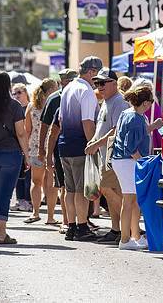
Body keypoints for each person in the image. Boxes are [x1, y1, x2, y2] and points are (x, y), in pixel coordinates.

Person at [111, 84, 163, 250]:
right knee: (130, 201)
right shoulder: (136, 118)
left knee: (133, 202)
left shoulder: (129, 114)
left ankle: (134, 237)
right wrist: (143, 163)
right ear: (146, 103)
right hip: (127, 161)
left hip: (122, 161)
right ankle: (125, 240)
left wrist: (152, 127)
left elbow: (135, 134)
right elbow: (131, 147)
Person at [0, 71, 30, 244]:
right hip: (11, 153)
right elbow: (21, 133)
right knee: (5, 194)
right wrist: (27, 155)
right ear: (8, 85)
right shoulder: (15, 106)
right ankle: (1, 235)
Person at [58, 56, 104, 241]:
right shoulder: (86, 91)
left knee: (70, 190)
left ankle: (71, 226)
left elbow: (61, 119)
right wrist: (93, 144)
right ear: (92, 72)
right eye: (98, 75)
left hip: (65, 144)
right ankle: (82, 227)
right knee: (81, 190)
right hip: (80, 146)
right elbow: (87, 121)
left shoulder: (68, 88)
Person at [84, 68, 130, 244]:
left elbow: (116, 129)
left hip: (114, 154)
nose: (99, 86)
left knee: (107, 189)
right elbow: (103, 127)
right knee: (110, 191)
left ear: (114, 83)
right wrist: (94, 141)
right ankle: (117, 229)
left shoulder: (119, 101)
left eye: (102, 83)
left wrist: (96, 143)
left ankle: (132, 226)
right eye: (97, 83)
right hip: (106, 154)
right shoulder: (107, 102)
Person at [38, 68, 77, 232]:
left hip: (74, 146)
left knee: (75, 186)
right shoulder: (54, 99)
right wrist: (42, 150)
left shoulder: (78, 95)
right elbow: (45, 126)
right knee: (63, 185)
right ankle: (67, 220)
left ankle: (78, 220)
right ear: (63, 82)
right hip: (60, 147)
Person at [23, 78, 58, 224]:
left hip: (35, 148)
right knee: (51, 184)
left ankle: (35, 213)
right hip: (52, 147)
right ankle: (50, 217)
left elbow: (27, 130)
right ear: (50, 90)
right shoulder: (55, 104)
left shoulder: (31, 106)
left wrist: (26, 151)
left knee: (35, 182)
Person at [10, 82, 31, 212]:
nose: (16, 95)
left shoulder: (30, 107)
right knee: (18, 174)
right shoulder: (13, 109)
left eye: (19, 92)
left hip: (29, 144)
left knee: (28, 174)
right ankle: (19, 200)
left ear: (25, 93)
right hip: (17, 145)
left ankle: (28, 200)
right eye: (14, 93)